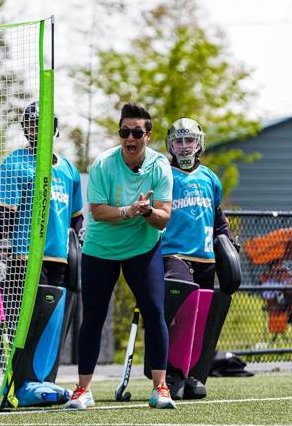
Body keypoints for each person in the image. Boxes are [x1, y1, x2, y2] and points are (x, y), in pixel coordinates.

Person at [64, 102, 175, 410]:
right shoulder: (103, 164)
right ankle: (83, 390)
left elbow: (163, 218)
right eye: (125, 132)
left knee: (155, 311)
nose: (130, 138)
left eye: (137, 133)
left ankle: (160, 388)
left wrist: (147, 211)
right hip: (101, 250)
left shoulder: (160, 166)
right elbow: (98, 212)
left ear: (148, 136)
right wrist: (129, 211)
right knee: (93, 317)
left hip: (143, 248)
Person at [0, 101, 83, 406]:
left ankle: (43, 380)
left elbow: (76, 218)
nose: (36, 129)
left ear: (54, 129)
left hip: (59, 258)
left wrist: (77, 245)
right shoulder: (16, 163)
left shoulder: (68, 169)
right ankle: (21, 384)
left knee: (54, 322)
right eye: (31, 124)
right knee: (28, 323)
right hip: (24, 257)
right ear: (25, 129)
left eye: (41, 124)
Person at [160, 117, 237, 399]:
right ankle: (171, 372)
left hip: (206, 258)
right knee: (182, 312)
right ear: (170, 145)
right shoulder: (164, 175)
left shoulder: (210, 178)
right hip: (174, 255)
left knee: (201, 318)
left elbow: (219, 220)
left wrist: (229, 243)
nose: (184, 146)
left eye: (189, 140)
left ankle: (192, 373)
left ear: (199, 143)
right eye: (178, 141)